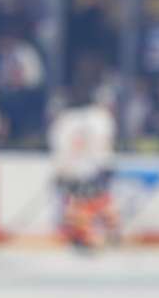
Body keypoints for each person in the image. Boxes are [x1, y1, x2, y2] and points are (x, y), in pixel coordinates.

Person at [47, 82, 119, 250]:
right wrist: (104, 164)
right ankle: (93, 234)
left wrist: (61, 170)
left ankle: (87, 235)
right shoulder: (100, 117)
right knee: (90, 202)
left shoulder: (68, 119)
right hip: (90, 168)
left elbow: (61, 149)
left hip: (75, 169)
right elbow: (100, 146)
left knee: (80, 202)